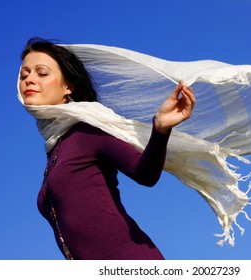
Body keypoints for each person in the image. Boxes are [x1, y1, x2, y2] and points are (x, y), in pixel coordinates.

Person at [19, 37, 196, 260]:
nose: (29, 80)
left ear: (68, 86)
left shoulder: (88, 130)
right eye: (24, 75)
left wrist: (160, 129)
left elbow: (146, 174)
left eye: (41, 73)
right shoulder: (55, 146)